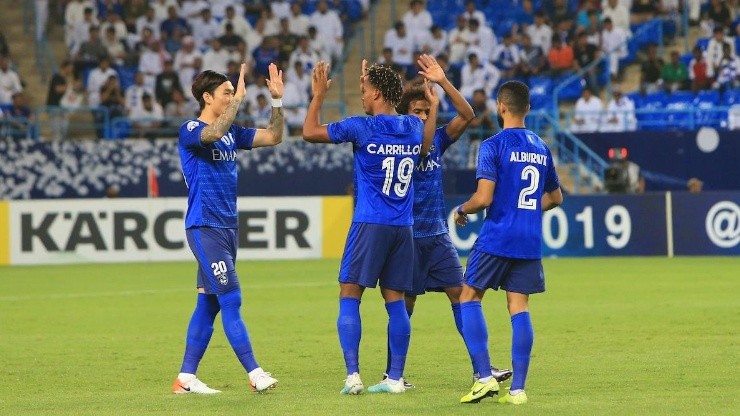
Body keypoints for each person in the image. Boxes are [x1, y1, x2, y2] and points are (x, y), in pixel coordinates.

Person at [379, 54, 512, 388]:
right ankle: (393, 373)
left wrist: (442, 83)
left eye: (426, 111)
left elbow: (467, 114)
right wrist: (434, 108)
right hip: (407, 237)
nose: (424, 116)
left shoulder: (439, 138)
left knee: (462, 295)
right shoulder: (401, 142)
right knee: (405, 306)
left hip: (437, 236)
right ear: (405, 114)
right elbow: (421, 150)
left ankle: (482, 368)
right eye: (418, 112)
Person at [302, 60, 433, 395]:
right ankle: (394, 379)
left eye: (363, 90)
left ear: (376, 92)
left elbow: (310, 132)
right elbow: (424, 137)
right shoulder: (411, 126)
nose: (360, 96)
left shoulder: (361, 127)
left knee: (349, 294)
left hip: (370, 224)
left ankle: (353, 376)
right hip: (403, 228)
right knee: (395, 301)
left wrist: (318, 95)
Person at [172, 62, 284, 395]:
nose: (233, 97)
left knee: (208, 304)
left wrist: (276, 102)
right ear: (207, 97)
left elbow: (274, 136)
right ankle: (255, 373)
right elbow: (214, 133)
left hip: (227, 228)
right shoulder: (191, 128)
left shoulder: (234, 132)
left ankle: (185, 379)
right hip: (204, 226)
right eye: (227, 93)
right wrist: (238, 102)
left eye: (233, 93)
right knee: (232, 298)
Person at [453, 80, 563, 404]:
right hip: (528, 240)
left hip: (498, 235)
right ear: (527, 108)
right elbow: (556, 197)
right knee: (519, 306)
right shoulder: (542, 147)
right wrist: (526, 208)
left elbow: (483, 197)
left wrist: (462, 208)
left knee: (469, 296)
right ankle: (518, 391)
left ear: (501, 107)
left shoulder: (492, 145)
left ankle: (485, 377)